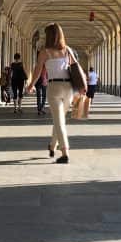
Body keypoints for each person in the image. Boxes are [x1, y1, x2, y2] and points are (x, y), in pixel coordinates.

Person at [27, 23, 83, 163]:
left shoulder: (45, 52)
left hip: (54, 88)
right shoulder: (67, 50)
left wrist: (31, 85)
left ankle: (65, 153)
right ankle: (52, 146)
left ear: (49, 36)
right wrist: (83, 85)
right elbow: (77, 68)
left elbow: (37, 71)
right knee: (59, 120)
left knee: (59, 121)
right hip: (68, 87)